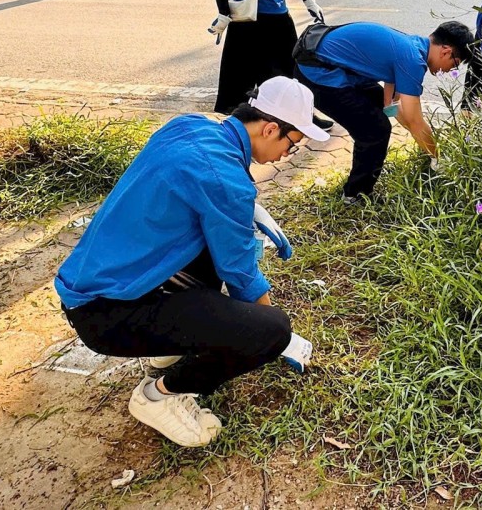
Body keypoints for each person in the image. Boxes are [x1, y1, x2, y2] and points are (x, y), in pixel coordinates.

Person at [55, 76, 329, 448]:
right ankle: (159, 396)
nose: (288, 154)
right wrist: (279, 338)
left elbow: (198, 192)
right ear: (269, 128)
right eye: (292, 143)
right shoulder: (226, 181)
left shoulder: (189, 126)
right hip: (106, 315)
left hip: (97, 283)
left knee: (213, 244)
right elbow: (241, 275)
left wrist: (245, 212)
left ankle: (170, 345)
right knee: (271, 329)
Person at [293, 20, 474, 202]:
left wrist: (423, 142)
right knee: (375, 131)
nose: (451, 70)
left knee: (377, 118)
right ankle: (354, 196)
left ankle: (357, 190)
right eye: (455, 63)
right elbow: (414, 120)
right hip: (318, 72)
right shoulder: (413, 61)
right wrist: (439, 158)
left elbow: (391, 106)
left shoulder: (411, 45)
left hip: (327, 63)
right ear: (446, 51)